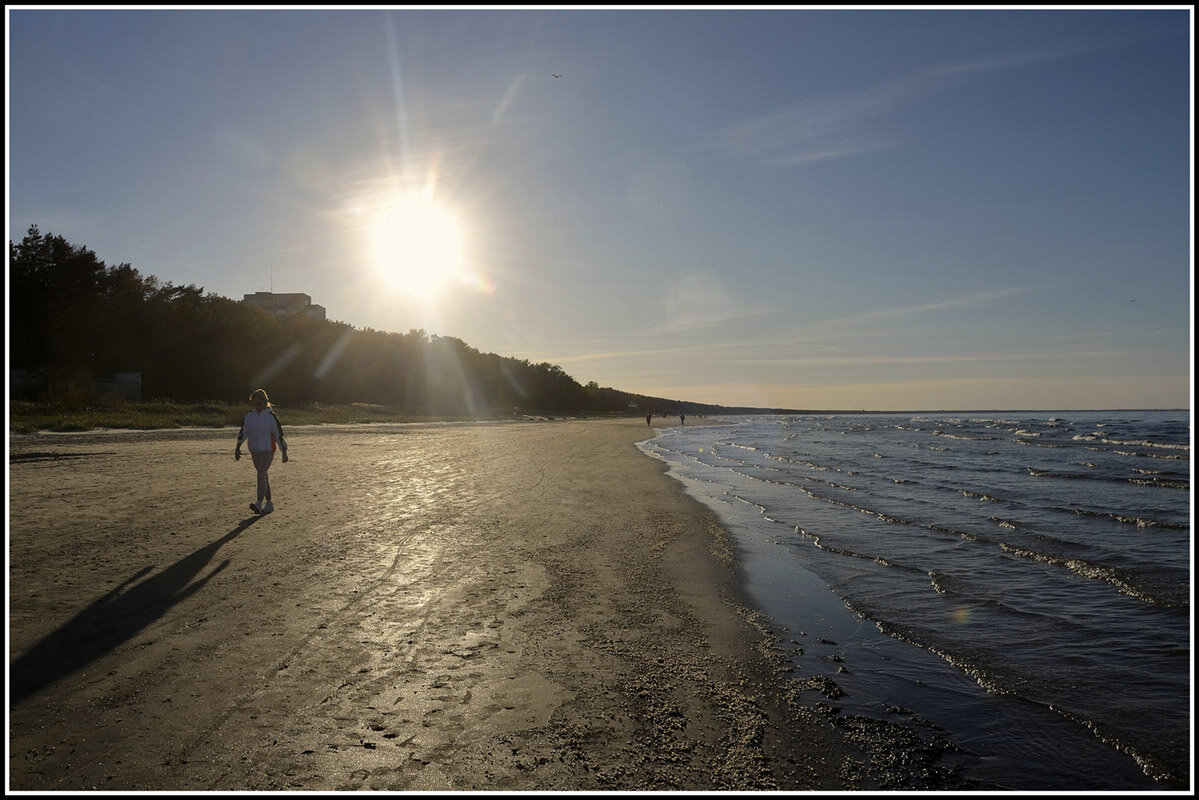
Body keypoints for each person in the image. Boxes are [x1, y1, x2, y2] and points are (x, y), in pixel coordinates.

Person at [234, 388, 288, 514]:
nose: (256, 406)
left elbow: (278, 434)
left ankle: (258, 502)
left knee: (261, 473)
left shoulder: (271, 417)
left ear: (265, 403)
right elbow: (244, 431)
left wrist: (284, 452)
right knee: (263, 475)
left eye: (259, 403)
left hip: (268, 449)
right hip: (254, 450)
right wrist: (238, 447)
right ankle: (269, 503)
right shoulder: (249, 416)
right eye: (254, 403)